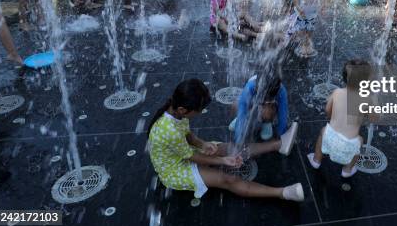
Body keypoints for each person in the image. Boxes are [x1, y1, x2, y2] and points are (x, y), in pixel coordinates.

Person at [147, 79, 304, 202]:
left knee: (232, 148)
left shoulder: (177, 112)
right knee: (227, 180)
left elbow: (188, 136)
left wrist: (203, 144)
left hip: (184, 152)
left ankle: (279, 144)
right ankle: (282, 193)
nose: (200, 113)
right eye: (198, 111)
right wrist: (223, 161)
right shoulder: (169, 130)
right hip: (175, 169)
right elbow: (191, 157)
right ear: (183, 109)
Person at [307, 59, 370, 178]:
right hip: (350, 146)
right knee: (360, 141)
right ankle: (347, 169)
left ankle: (316, 160)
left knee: (323, 131)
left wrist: (332, 117)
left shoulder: (337, 92)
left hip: (329, 139)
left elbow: (327, 109)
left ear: (344, 78)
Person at [229, 73, 293, 143]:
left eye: (268, 97)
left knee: (267, 110)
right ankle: (239, 120)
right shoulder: (250, 87)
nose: (265, 99)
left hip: (267, 105)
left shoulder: (281, 90)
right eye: (265, 97)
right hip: (253, 101)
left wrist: (280, 136)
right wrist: (239, 137)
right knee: (236, 105)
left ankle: (266, 124)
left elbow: (283, 114)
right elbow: (242, 108)